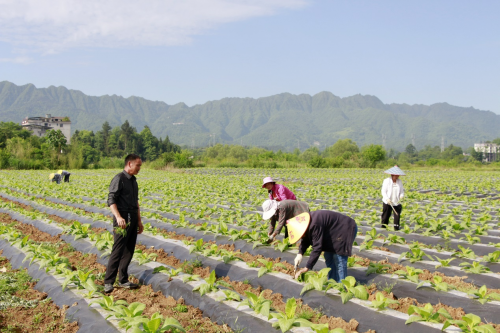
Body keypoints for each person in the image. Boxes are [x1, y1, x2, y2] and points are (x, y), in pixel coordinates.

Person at [104, 154, 144, 293]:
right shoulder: (119, 179)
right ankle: (108, 281)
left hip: (132, 217)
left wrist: (139, 221)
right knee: (118, 249)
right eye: (138, 165)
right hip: (122, 218)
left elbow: (136, 202)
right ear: (129, 164)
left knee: (129, 250)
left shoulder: (133, 181)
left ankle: (123, 279)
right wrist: (118, 217)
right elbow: (111, 200)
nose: (139, 168)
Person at [293, 210, 358, 282]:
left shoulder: (314, 224)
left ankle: (342, 286)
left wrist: (307, 267)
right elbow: (306, 239)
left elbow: (317, 248)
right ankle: (332, 282)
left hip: (345, 228)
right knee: (329, 257)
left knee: (339, 258)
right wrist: (300, 253)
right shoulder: (306, 224)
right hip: (333, 232)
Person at [381, 165, 405, 231]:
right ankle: (383, 227)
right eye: (396, 175)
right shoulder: (386, 181)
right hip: (388, 202)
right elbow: (383, 191)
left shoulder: (399, 181)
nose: (397, 176)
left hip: (396, 202)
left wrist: (401, 196)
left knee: (397, 215)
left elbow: (402, 191)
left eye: (398, 175)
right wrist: (387, 199)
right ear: (393, 175)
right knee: (386, 215)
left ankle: (396, 228)